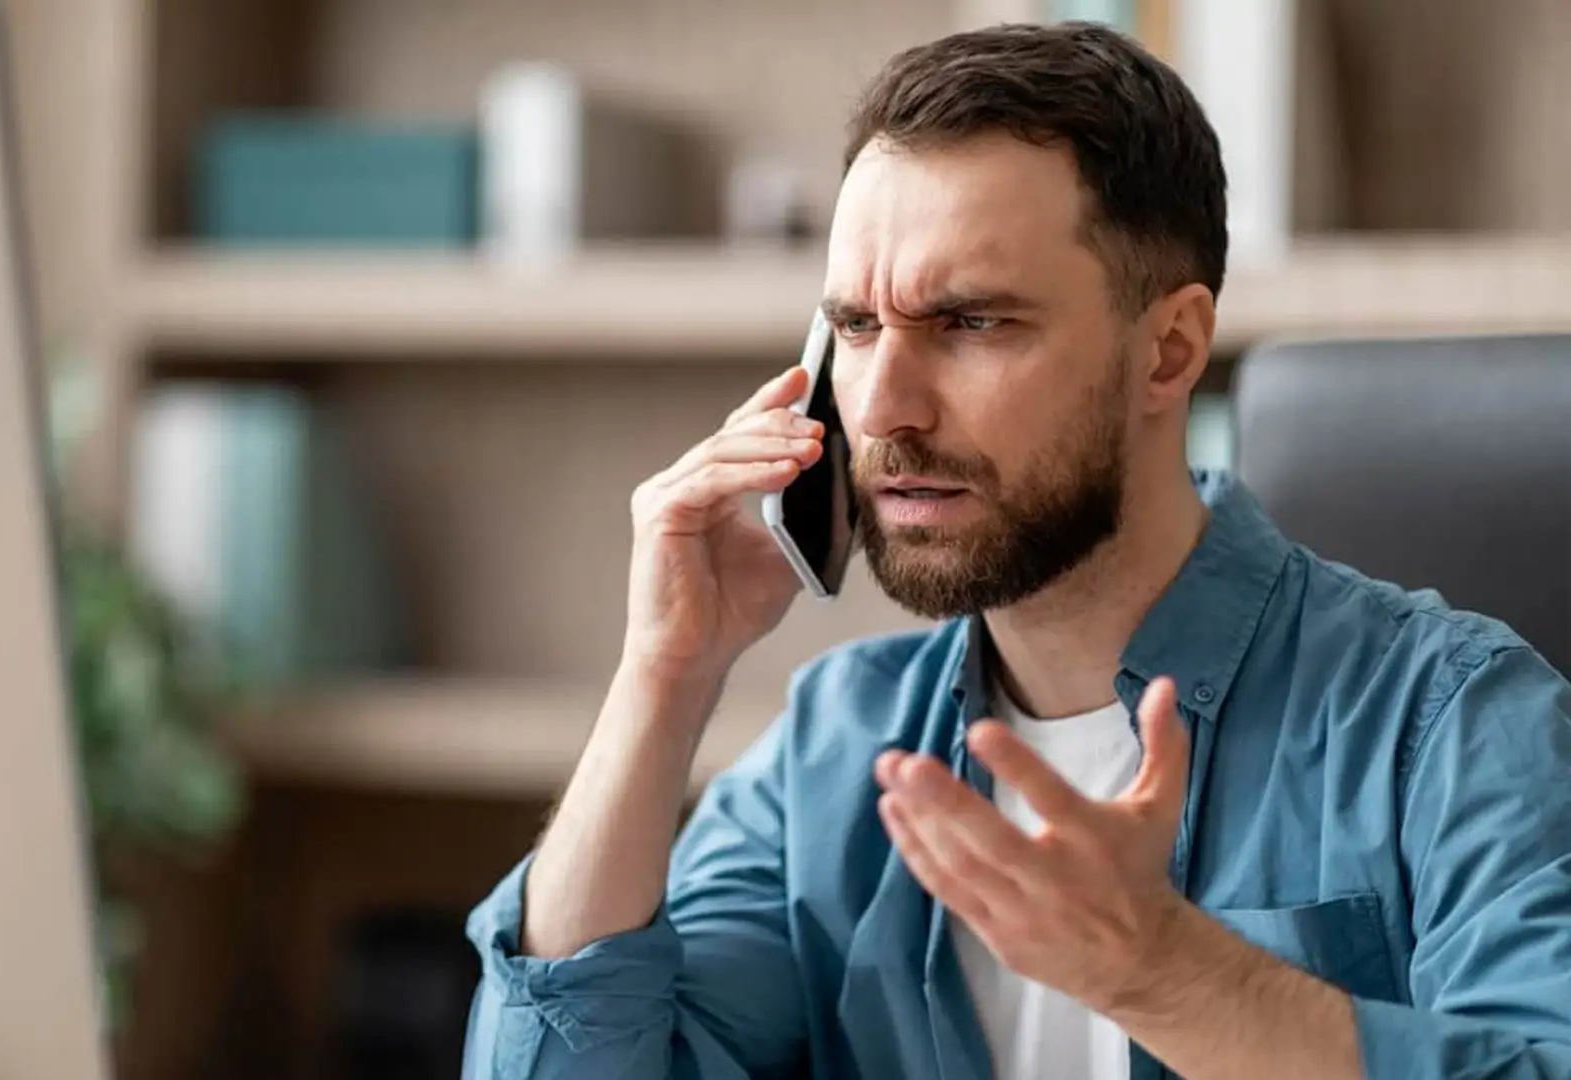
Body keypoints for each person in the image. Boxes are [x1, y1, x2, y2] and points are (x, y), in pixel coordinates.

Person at [460, 22, 1571, 1080]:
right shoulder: (837, 756)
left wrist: (1162, 972)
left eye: (972, 323)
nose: (885, 406)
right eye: (854, 326)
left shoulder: (1454, 720)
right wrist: (662, 676)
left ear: (1168, 351)